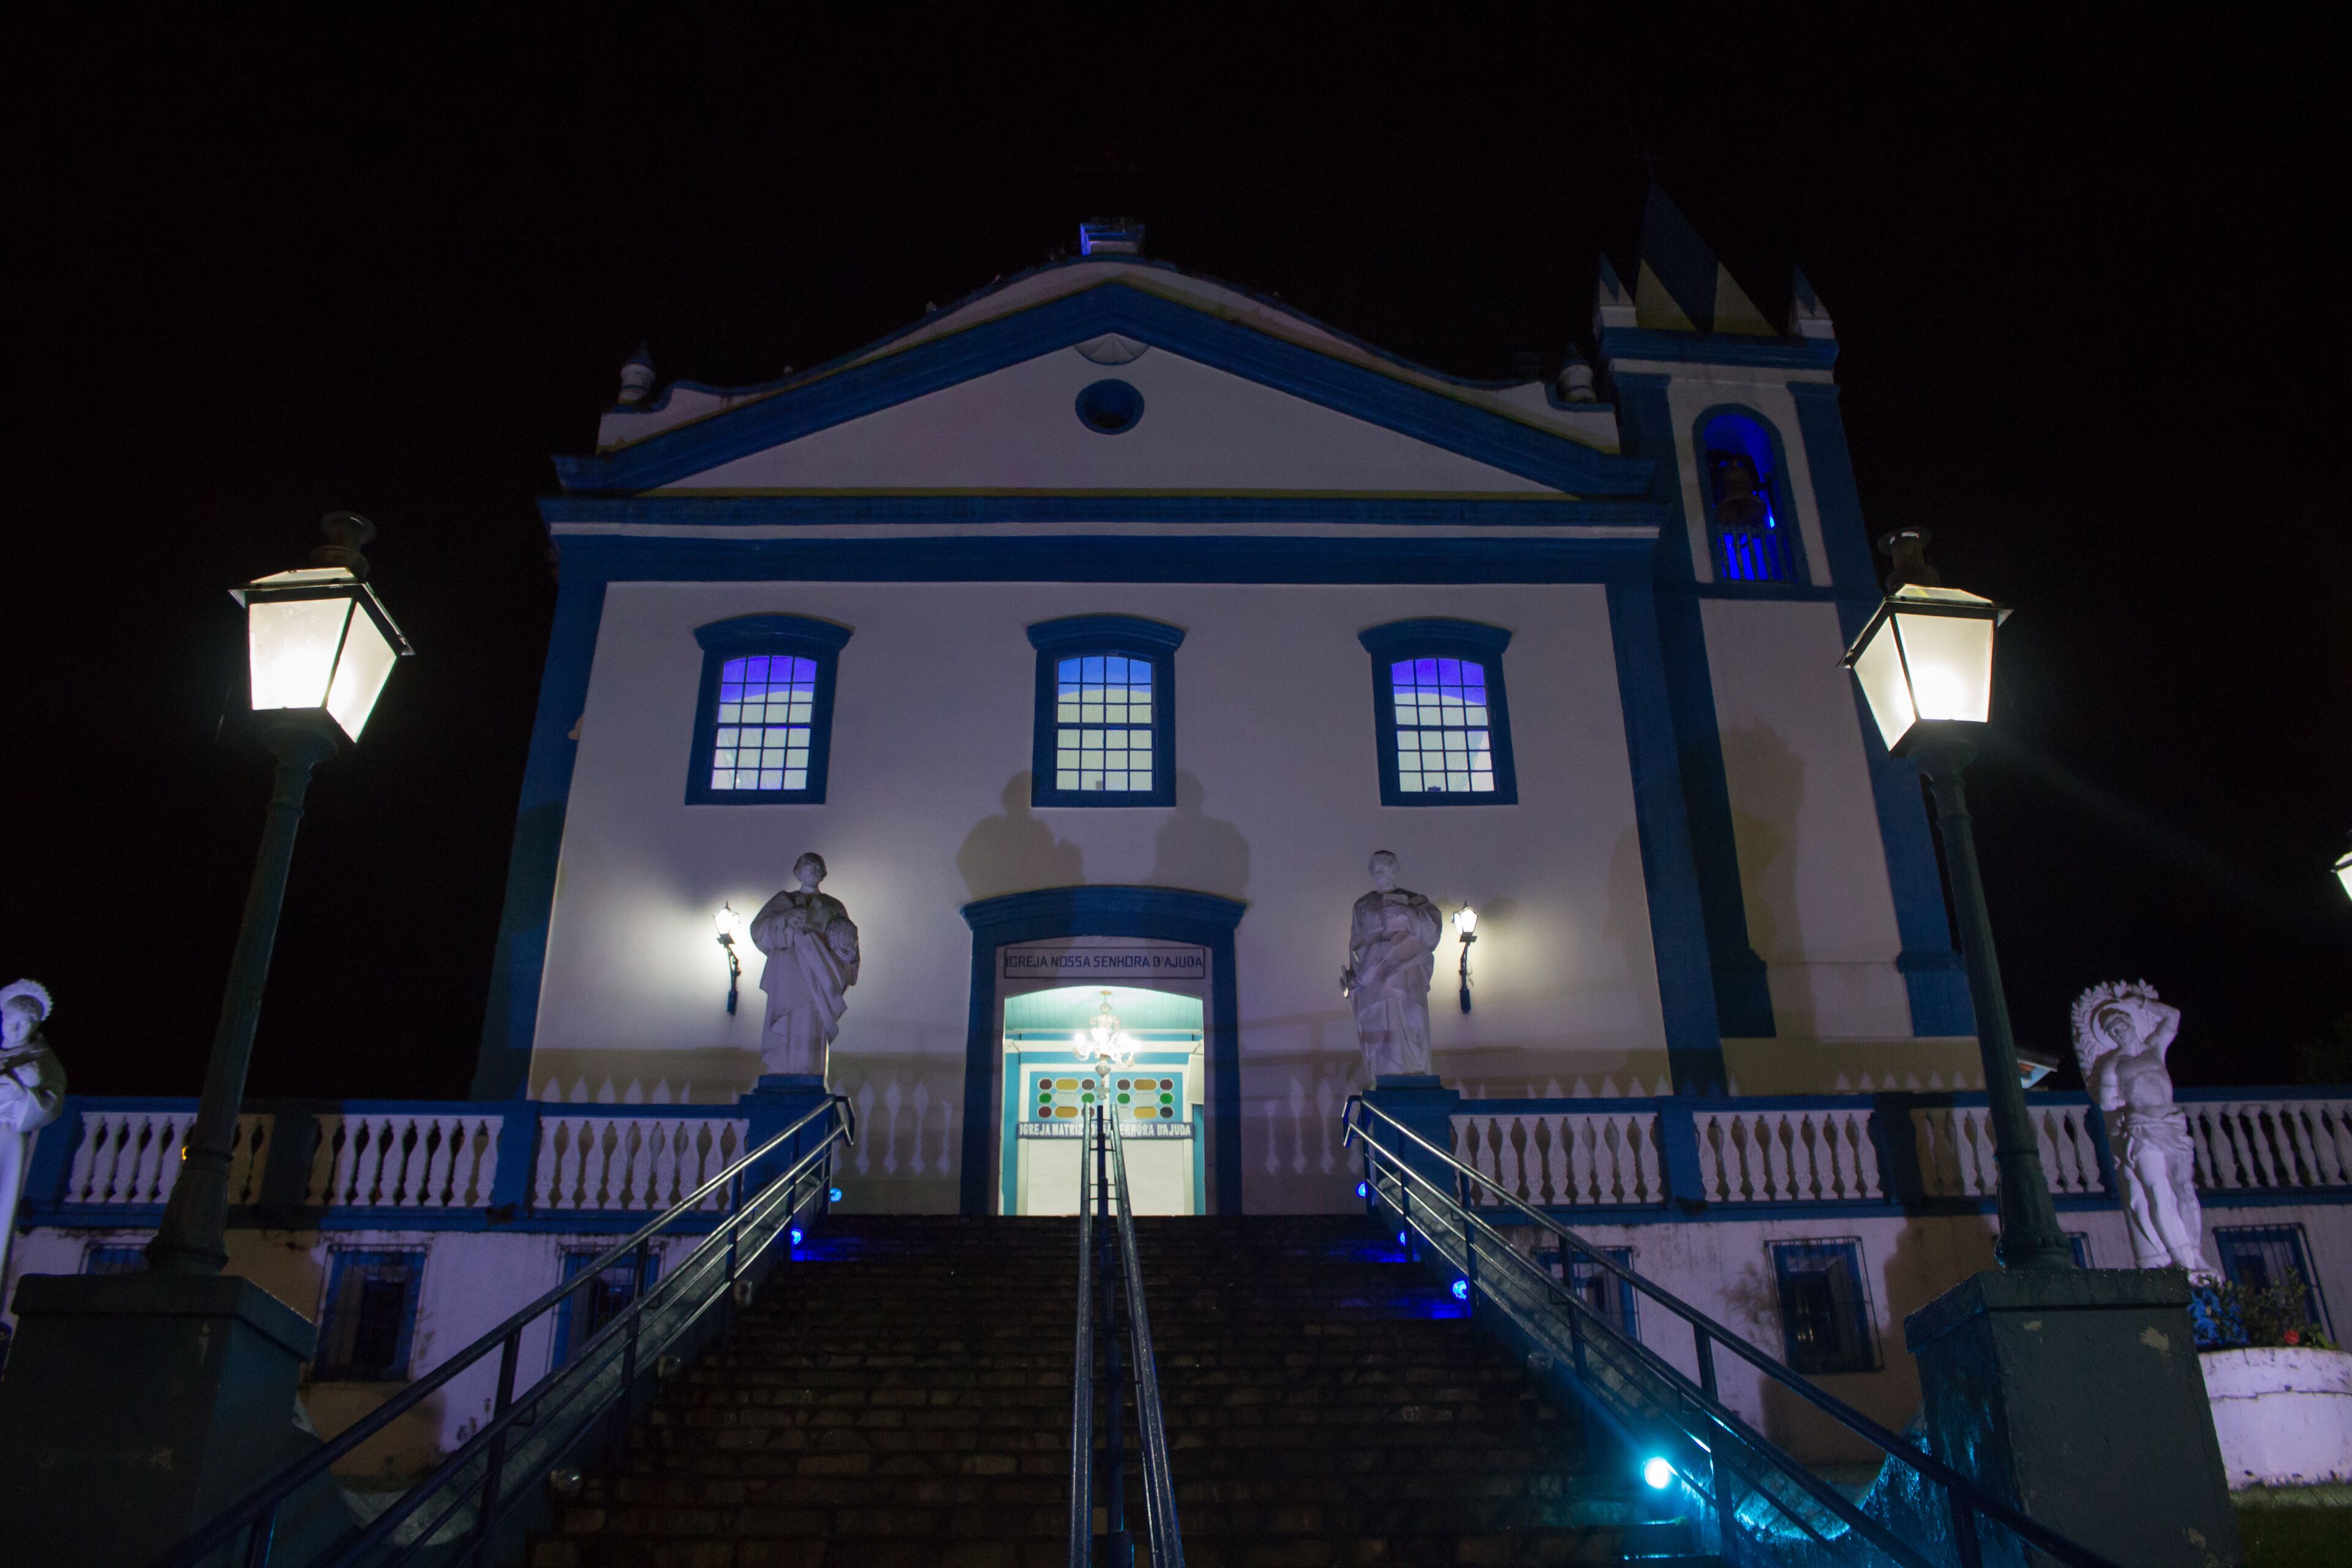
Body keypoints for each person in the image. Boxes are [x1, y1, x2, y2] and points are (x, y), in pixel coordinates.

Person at [2072, 979, 2210, 1276]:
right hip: (2142, 1129)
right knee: (2158, 1192)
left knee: (2185, 1190)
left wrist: (2140, 1003)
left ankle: (2195, 1254)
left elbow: (2173, 1017)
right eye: (2112, 1031)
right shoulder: (2113, 1064)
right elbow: (2108, 1104)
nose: (2119, 1032)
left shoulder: (2154, 1049)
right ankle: (2182, 1262)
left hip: (2171, 1125)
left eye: (2121, 1025)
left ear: (2130, 1024)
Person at [750, 854, 860, 1078]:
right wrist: (787, 919)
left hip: (820, 978)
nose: (812, 870)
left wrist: (848, 957)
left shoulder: (834, 906)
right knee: (787, 1023)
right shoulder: (783, 901)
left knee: (812, 1024)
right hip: (789, 974)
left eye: (817, 866)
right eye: (807, 866)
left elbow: (847, 941)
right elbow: (760, 930)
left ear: (824, 873)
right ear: (798, 872)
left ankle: (809, 1072)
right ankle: (781, 1070)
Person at [1343, 851, 1442, 1079]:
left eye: (1386, 866)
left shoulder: (1416, 901)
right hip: (1375, 979)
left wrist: (1405, 914)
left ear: (1395, 869)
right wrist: (1353, 977)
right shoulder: (1363, 905)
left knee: (1412, 1022)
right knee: (1383, 1033)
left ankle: (1416, 1075)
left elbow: (1432, 931)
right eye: (1377, 868)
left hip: (1408, 975)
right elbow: (1356, 943)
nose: (1382, 872)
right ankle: (1385, 1076)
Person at [0, 980, 66, 1293]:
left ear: (34, 1025)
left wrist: (27, 1089)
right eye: (9, 1021)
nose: (14, 1030)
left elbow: (49, 1107)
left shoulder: (41, 1061)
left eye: (23, 1024)